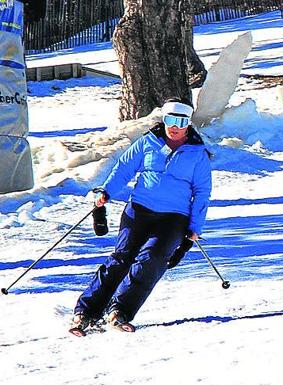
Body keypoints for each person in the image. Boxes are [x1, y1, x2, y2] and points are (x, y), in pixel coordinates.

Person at [71, 98, 212, 335]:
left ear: (188, 123)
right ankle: (86, 312)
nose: (174, 126)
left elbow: (202, 192)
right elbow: (124, 168)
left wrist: (195, 227)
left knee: (152, 258)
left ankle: (120, 311)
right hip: (139, 210)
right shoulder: (148, 142)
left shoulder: (198, 155)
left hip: (173, 217)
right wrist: (106, 191)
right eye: (170, 120)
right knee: (121, 258)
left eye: (181, 121)